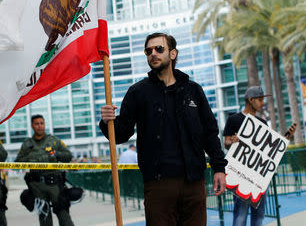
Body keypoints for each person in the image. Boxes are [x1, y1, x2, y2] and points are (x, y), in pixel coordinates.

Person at [100, 32, 227, 226]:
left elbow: (210, 132)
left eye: (159, 49)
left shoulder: (194, 90)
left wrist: (219, 168)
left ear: (173, 53)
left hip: (194, 183)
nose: (153, 53)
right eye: (148, 50)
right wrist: (107, 121)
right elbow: (121, 133)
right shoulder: (138, 92)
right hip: (158, 185)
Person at [223, 86, 270, 226]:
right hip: (241, 175)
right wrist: (232, 141)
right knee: (240, 216)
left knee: (259, 217)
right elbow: (226, 143)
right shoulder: (233, 119)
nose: (262, 103)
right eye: (260, 100)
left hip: (259, 176)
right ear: (251, 100)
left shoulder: (263, 123)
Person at [15, 114, 74, 226]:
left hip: (55, 185)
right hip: (37, 186)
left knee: (64, 217)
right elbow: (17, 163)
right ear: (32, 126)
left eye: (42, 123)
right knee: (44, 219)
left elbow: (68, 156)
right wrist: (30, 159)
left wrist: (56, 154)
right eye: (36, 124)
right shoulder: (27, 144)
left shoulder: (54, 140)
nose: (39, 126)